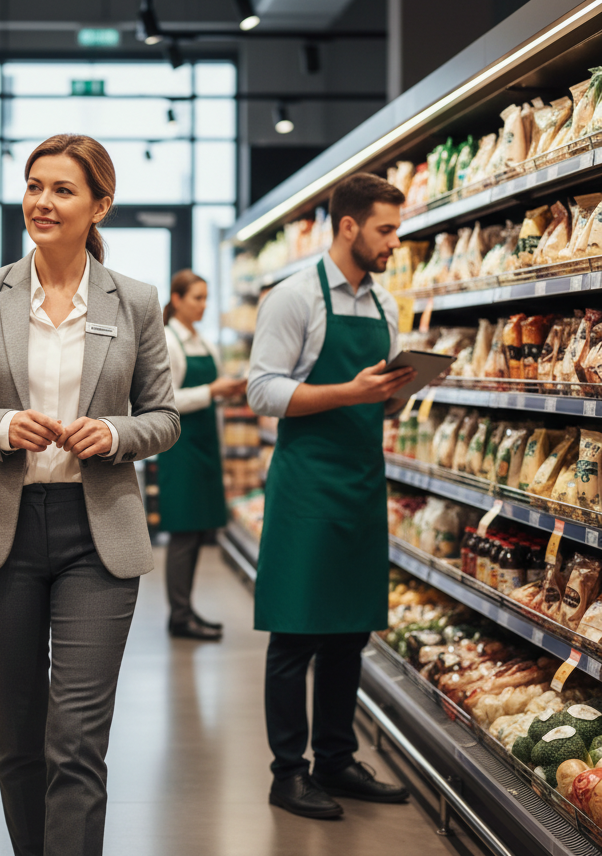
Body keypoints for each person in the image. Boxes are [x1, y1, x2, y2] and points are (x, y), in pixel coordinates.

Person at [0, 133, 180, 856]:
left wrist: (115, 433)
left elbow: (164, 417)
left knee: (76, 737)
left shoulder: (134, 301)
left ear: (100, 205)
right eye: (35, 185)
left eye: (63, 189)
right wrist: (4, 424)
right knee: (18, 732)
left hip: (96, 534)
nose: (42, 200)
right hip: (1, 533)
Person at [247, 173, 416, 820]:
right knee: (295, 634)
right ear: (348, 227)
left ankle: (335, 759)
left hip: (361, 483)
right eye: (385, 230)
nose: (393, 242)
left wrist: (397, 392)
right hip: (306, 486)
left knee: (349, 631)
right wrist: (352, 392)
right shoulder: (295, 297)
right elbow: (263, 392)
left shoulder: (384, 305)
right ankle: (287, 773)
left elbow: (381, 403)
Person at [158, 270, 245, 641]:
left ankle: (186, 609)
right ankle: (179, 615)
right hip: (180, 450)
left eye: (207, 298)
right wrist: (211, 390)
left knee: (196, 534)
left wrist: (229, 389)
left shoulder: (202, 341)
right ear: (176, 300)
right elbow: (164, 399)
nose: (204, 305)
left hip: (204, 448)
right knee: (183, 534)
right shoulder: (168, 340)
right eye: (197, 297)